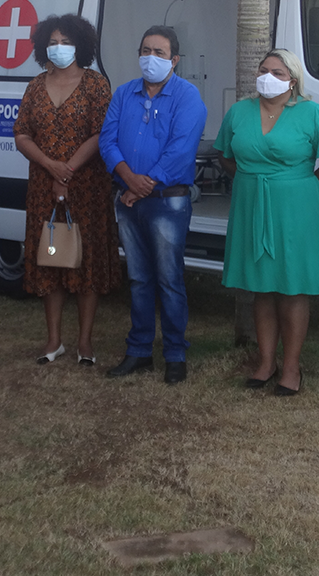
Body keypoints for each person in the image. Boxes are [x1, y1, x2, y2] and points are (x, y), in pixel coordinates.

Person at [217, 49, 319, 395]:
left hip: (296, 210)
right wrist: (250, 181)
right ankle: (265, 362)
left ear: (293, 80)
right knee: (262, 286)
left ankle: (291, 367)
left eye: (277, 72)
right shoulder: (239, 112)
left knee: (292, 287)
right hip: (252, 205)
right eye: (263, 70)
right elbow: (225, 156)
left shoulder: (312, 113)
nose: (268, 77)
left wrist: (303, 187)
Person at [99, 25, 207, 384]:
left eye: (159, 53)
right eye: (146, 51)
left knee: (169, 280)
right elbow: (107, 141)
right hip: (129, 201)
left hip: (167, 203)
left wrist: (141, 186)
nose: (151, 58)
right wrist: (128, 179)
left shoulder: (187, 96)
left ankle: (175, 354)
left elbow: (181, 149)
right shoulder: (123, 93)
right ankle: (139, 351)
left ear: (174, 60)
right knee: (138, 279)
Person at [14, 14, 121, 365]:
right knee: (51, 257)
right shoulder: (35, 86)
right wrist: (51, 166)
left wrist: (68, 170)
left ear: (81, 46)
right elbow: (21, 133)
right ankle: (54, 340)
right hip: (43, 187)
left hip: (86, 188)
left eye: (66, 42)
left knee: (85, 261)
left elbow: (101, 134)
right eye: (53, 42)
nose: (58, 48)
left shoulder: (95, 84)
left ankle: (85, 341)